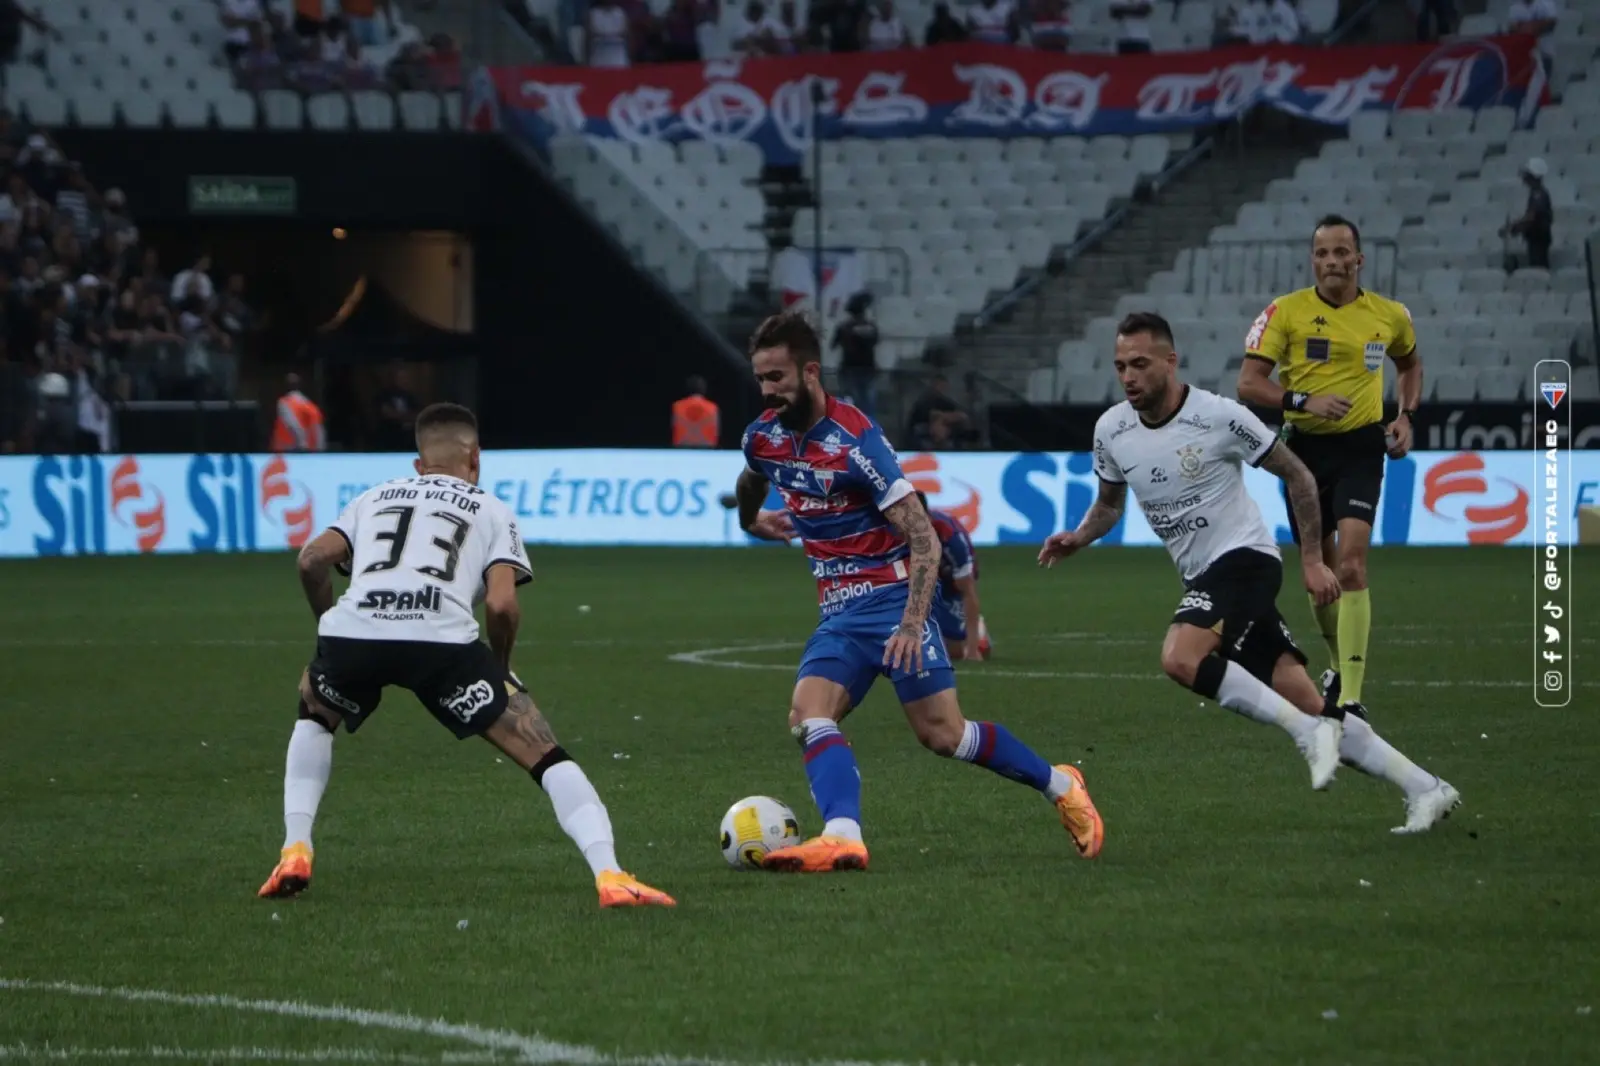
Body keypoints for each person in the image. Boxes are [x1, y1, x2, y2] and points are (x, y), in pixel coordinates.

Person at [1042, 313, 1458, 833]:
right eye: (1121, 365)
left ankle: (1306, 735)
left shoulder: (1220, 416)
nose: (1128, 376)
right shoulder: (1112, 429)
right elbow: (1108, 505)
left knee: (1180, 658)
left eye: (1140, 364)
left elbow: (1299, 475)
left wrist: (1310, 559)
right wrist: (1079, 536)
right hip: (1205, 579)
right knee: (1311, 701)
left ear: (1170, 362)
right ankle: (1426, 788)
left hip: (1247, 560)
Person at [258, 402, 674, 908]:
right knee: (544, 754)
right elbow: (502, 604)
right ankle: (610, 874)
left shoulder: (371, 498)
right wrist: (498, 668)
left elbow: (310, 559)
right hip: (442, 644)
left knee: (315, 716)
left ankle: (295, 847)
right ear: (475, 457)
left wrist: (328, 629)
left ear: (418, 463)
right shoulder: (491, 509)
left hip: (354, 636)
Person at [733, 309, 1103, 871]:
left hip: (890, 602)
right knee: (809, 713)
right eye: (760, 378)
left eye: (777, 378)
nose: (768, 391)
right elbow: (751, 477)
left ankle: (1062, 785)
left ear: (810, 373)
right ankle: (843, 835)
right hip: (838, 613)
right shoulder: (763, 437)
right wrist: (750, 519)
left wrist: (911, 622)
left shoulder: (857, 441)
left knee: (943, 734)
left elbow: (924, 537)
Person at [1236, 214, 1423, 721]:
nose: (1333, 261)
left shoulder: (1389, 315)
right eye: (1323, 253)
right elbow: (1249, 384)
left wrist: (1405, 415)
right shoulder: (1285, 313)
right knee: (1319, 574)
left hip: (1362, 446)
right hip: (1301, 456)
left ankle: (1352, 697)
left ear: (1358, 259)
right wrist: (1302, 398)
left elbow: (1409, 363)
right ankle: (1339, 665)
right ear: (1313, 260)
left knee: (1353, 565)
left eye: (1342, 252)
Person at [917, 490, 989, 661]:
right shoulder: (896, 531)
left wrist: (972, 650)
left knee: (953, 652)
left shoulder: (950, 536)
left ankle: (977, 634)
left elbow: (967, 591)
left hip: (951, 584)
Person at [671, 375, 719, 448]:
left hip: (681, 449)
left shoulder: (677, 406)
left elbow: (673, 427)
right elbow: (717, 432)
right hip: (707, 451)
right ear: (704, 389)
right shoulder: (713, 408)